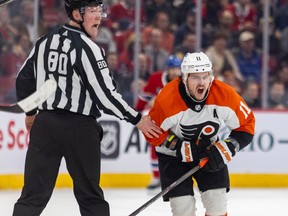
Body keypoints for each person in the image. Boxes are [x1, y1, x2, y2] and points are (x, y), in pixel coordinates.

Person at [12, 1, 162, 216]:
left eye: (100, 11)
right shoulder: (88, 48)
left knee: (32, 196)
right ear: (76, 14)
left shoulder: (43, 42)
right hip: (79, 129)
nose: (99, 16)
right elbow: (105, 96)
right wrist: (137, 119)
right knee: (90, 197)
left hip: (44, 126)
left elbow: (23, 79)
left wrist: (30, 113)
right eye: (93, 11)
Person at [143, 52, 255, 216]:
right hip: (174, 157)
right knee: (182, 208)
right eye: (195, 77)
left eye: (205, 76)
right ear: (184, 78)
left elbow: (247, 124)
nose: (202, 82)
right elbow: (152, 132)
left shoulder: (225, 94)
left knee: (217, 204)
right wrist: (178, 146)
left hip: (209, 152)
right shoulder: (167, 99)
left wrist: (226, 147)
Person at [135, 55, 182, 191]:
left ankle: (179, 176)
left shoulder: (183, 82)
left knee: (179, 146)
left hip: (176, 119)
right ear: (167, 69)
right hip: (159, 120)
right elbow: (143, 97)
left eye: (177, 69)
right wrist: (138, 112)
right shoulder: (156, 78)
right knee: (155, 145)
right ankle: (157, 178)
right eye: (172, 68)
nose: (175, 71)